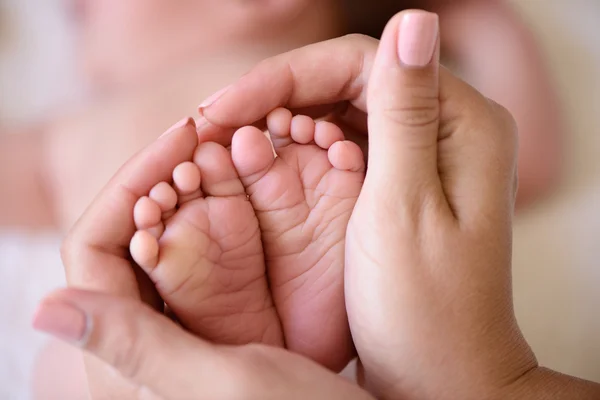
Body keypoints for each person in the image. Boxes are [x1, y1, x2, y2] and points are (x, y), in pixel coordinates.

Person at [33, 10, 600, 400]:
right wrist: (486, 22)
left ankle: (211, 334)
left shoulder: (78, 131)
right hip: (356, 243)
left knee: (77, 366)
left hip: (141, 270)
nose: (68, 12)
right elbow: (528, 160)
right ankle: (297, 318)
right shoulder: (363, 127)